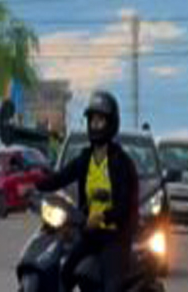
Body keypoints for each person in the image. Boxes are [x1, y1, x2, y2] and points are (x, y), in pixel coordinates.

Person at [35, 91, 138, 292]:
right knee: (64, 273)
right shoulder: (85, 159)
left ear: (111, 123)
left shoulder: (120, 162)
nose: (95, 125)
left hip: (115, 238)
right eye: (92, 120)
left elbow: (124, 206)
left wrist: (102, 217)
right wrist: (33, 185)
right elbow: (60, 178)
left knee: (111, 288)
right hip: (91, 235)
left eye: (100, 121)